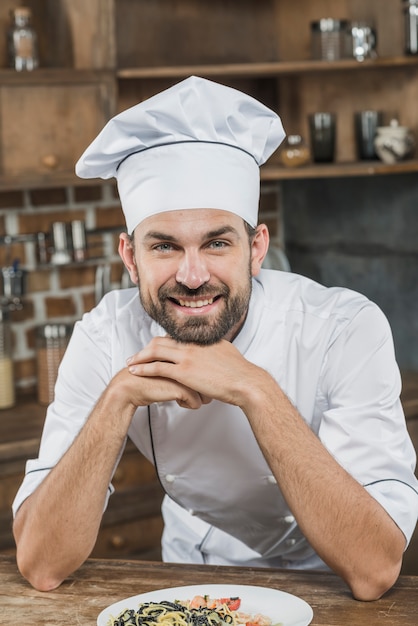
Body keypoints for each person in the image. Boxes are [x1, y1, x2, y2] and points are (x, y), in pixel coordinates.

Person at [12, 76, 418, 600]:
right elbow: (42, 565)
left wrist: (255, 389)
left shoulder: (343, 328)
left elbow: (374, 570)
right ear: (130, 259)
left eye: (217, 243)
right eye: (164, 247)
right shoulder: (105, 336)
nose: (193, 274)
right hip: (190, 579)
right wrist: (118, 399)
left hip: (330, 582)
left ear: (256, 248)